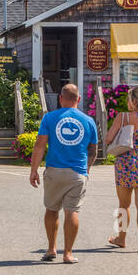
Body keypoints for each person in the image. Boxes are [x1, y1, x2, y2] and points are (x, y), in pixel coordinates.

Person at [28, 83, 99, 264]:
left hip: (54, 170)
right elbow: (93, 150)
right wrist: (87, 170)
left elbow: (40, 145)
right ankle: (68, 253)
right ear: (79, 99)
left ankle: (51, 249)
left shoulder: (49, 118)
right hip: (77, 172)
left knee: (51, 209)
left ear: (60, 98)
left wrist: (34, 170)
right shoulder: (88, 121)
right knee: (72, 211)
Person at [105, 86, 138, 252]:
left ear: (134, 101)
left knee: (124, 204)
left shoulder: (123, 117)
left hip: (125, 162)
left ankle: (121, 239)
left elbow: (108, 139)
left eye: (128, 99)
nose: (127, 102)